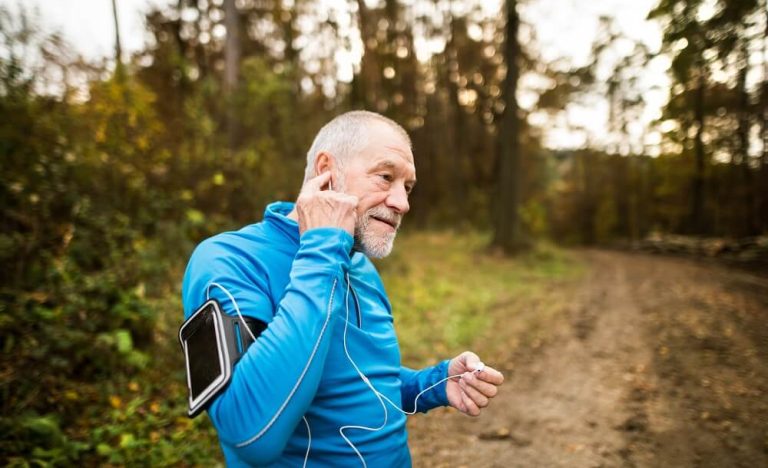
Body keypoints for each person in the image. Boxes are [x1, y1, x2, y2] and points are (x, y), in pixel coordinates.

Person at [181, 110, 504, 467]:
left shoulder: (359, 264)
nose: (403, 203)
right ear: (326, 171)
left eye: (407, 187)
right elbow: (249, 434)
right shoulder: (229, 260)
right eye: (386, 177)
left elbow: (359, 383)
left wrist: (433, 384)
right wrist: (321, 248)